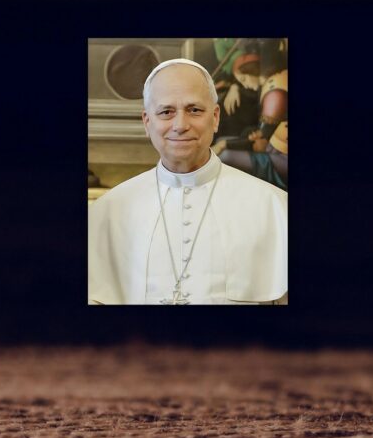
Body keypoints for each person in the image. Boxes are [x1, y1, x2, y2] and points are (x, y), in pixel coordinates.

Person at [88, 59, 288, 305]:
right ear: (147, 122)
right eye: (166, 112)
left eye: (194, 110)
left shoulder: (275, 206)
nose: (180, 125)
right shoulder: (107, 212)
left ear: (215, 117)